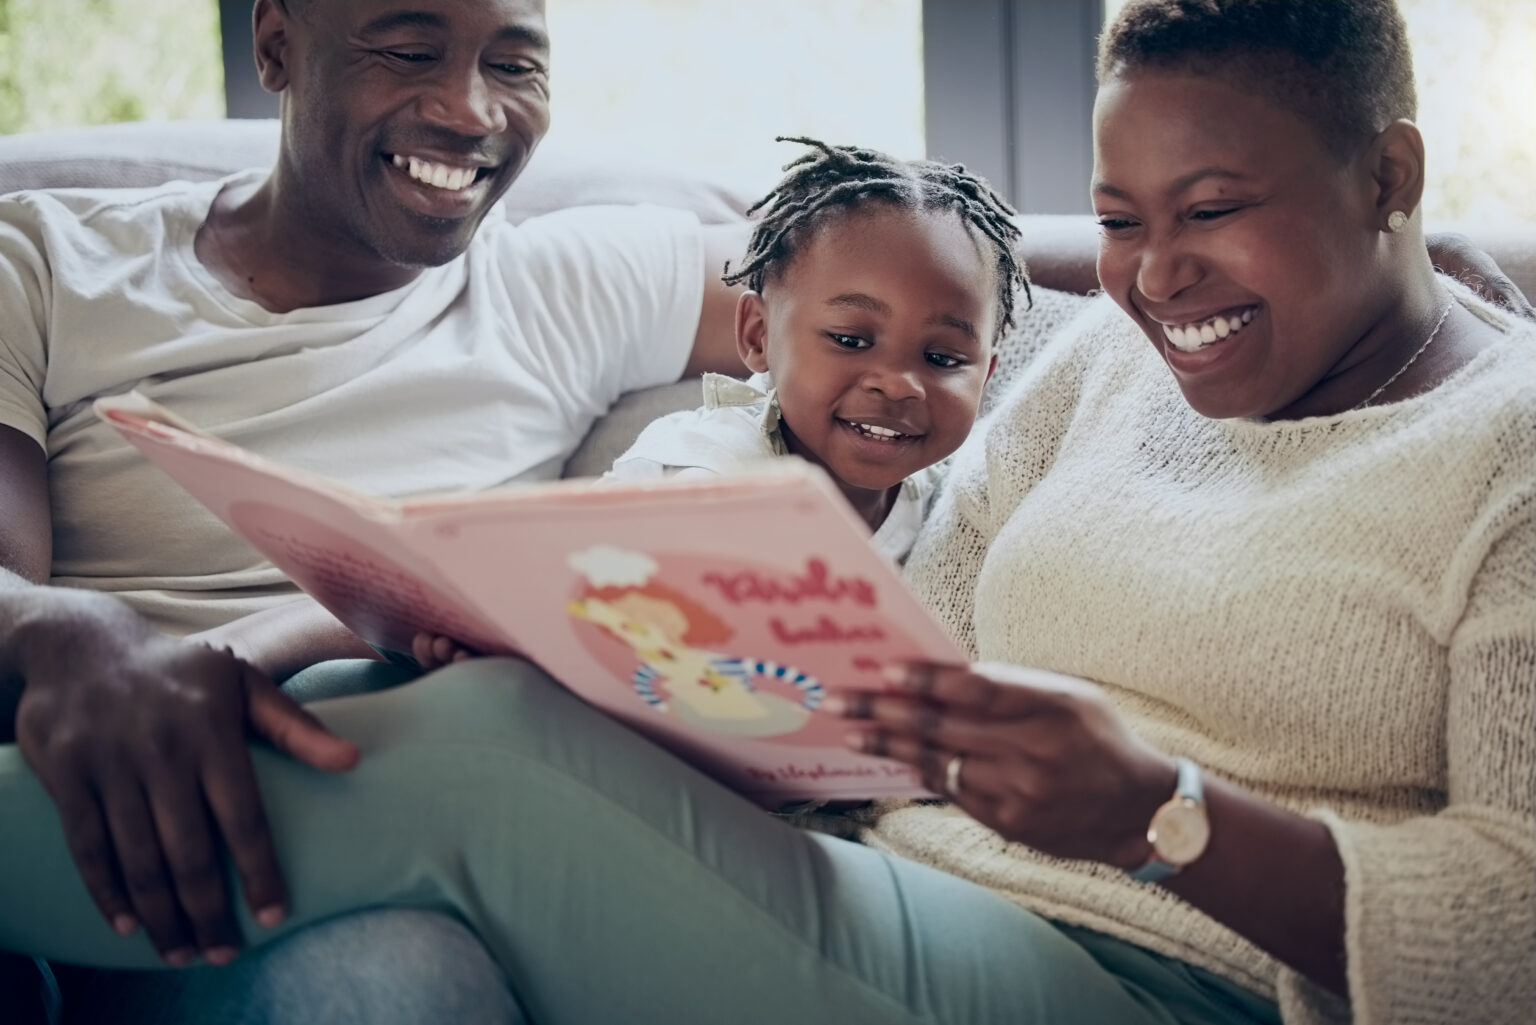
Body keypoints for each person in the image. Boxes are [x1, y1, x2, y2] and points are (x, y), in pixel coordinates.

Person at [2, 2, 1532, 1024]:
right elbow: (914, 651)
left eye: (1209, 213)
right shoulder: (1120, 372)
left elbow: (1515, 931)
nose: (1149, 279)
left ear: (1389, 174)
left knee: (490, 761)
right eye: (1121, 224)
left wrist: (1166, 815)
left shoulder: (1507, 449)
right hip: (894, 883)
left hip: (1171, 974)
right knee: (410, 691)